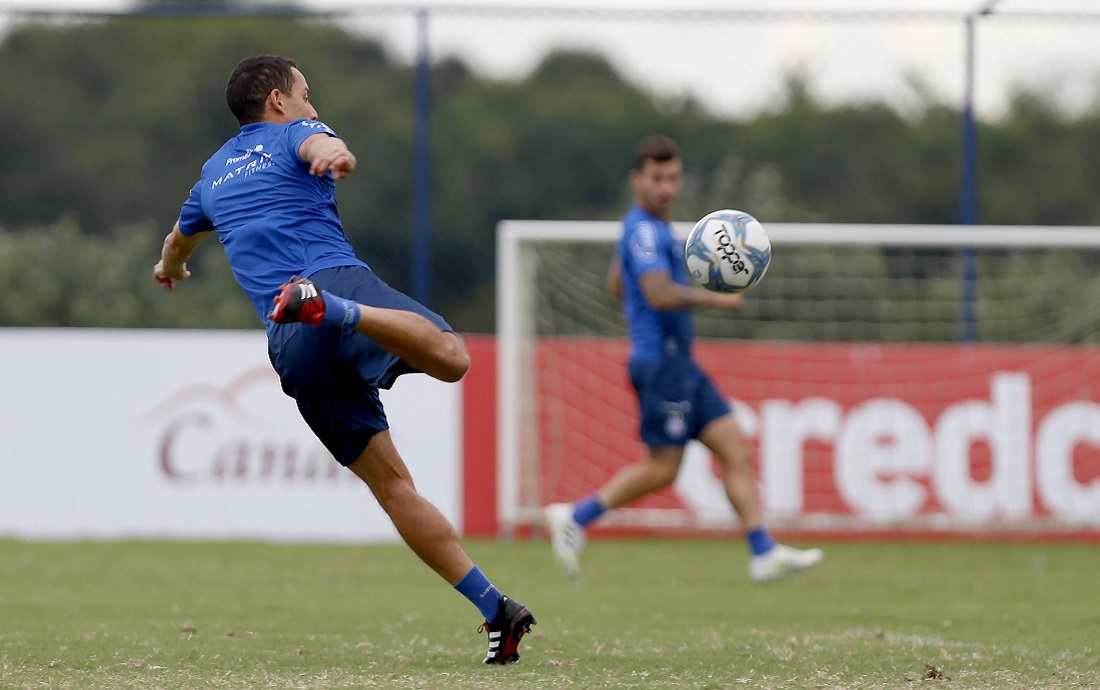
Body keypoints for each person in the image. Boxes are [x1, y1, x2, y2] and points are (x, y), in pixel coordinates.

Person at [153, 55, 534, 664]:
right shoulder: (298, 134)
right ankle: (335, 310)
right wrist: (337, 156)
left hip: (286, 339)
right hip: (331, 286)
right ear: (278, 100)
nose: (313, 104)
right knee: (453, 358)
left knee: (391, 486)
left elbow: (178, 240)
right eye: (306, 93)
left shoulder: (212, 175)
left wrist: (170, 269)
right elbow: (326, 145)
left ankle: (496, 611)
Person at [545, 134, 823, 582]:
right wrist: (718, 298)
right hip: (661, 365)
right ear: (638, 179)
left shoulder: (648, 231)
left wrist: (643, 294)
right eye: (657, 178)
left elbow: (617, 284)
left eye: (673, 178)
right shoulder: (642, 230)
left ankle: (763, 552)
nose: (666, 188)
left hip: (682, 364)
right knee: (663, 468)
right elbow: (655, 291)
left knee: (735, 447)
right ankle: (575, 517)